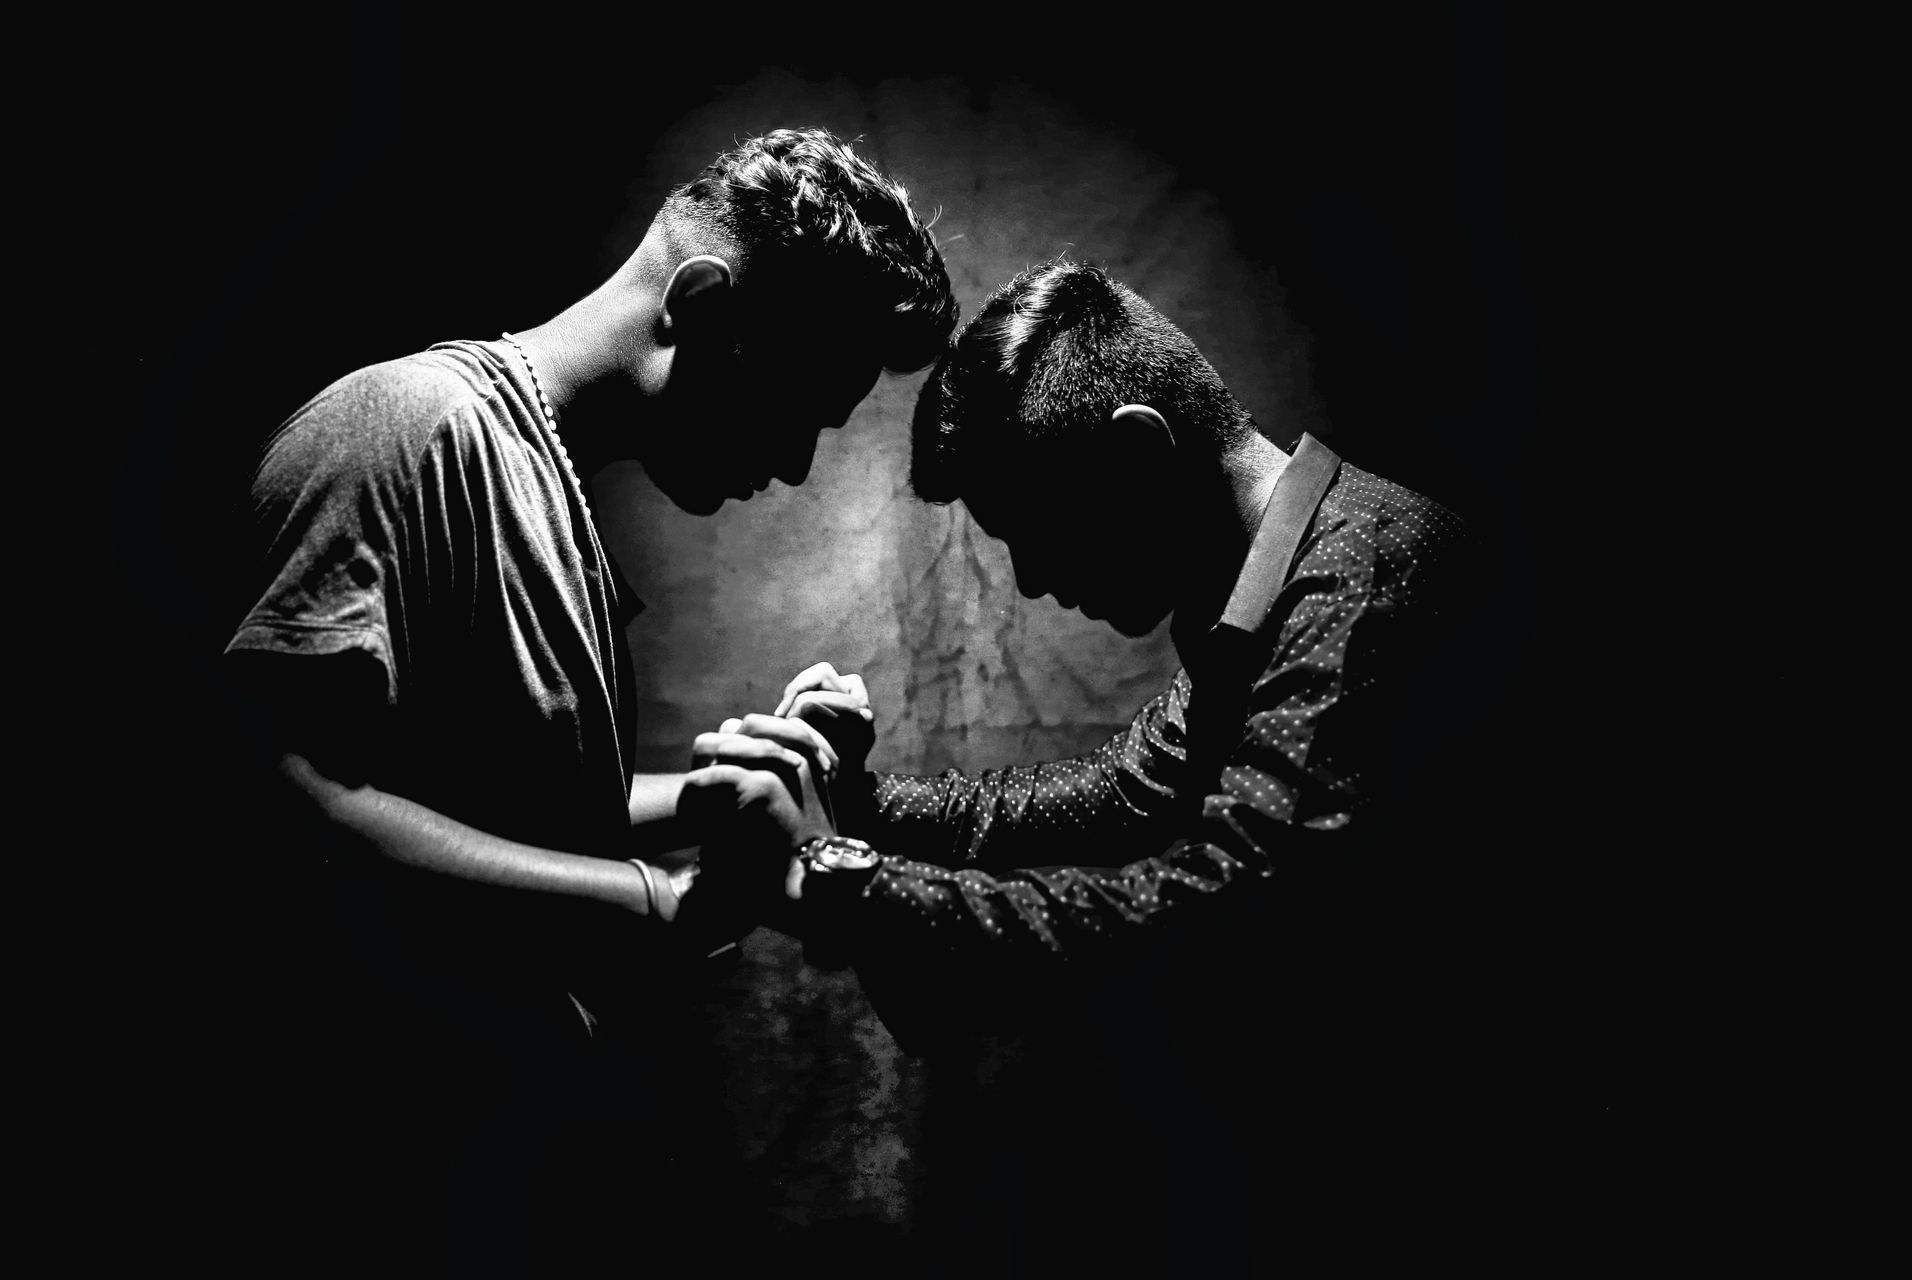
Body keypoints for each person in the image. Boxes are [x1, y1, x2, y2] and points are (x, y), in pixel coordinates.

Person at [220, 127, 956, 1276]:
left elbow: (513, 799)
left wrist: (716, 798)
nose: (803, 464)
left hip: (520, 1159)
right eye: (803, 402)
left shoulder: (549, 482)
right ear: (704, 305)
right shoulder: (404, 429)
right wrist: (658, 902)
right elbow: (293, 797)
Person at [699, 259, 1485, 1274]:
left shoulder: (1357, 594)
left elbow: (1208, 913)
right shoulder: (1282, 583)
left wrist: (836, 874)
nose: (1030, 579)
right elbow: (1125, 792)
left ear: (1136, 450)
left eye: (1034, 525)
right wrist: (860, 799)